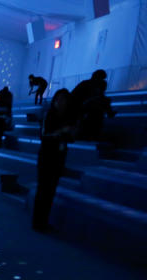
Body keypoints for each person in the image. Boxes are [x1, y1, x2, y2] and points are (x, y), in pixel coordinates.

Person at [33, 89, 74, 232]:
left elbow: (70, 138)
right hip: (46, 156)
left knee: (50, 191)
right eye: (60, 99)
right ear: (55, 100)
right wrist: (61, 132)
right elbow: (44, 135)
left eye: (65, 100)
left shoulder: (66, 118)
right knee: (44, 189)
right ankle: (38, 223)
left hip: (58, 157)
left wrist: (68, 132)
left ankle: (43, 222)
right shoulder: (49, 115)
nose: (63, 103)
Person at [70, 69, 116, 140]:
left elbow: (100, 96)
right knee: (101, 102)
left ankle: (93, 131)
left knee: (102, 102)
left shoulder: (95, 84)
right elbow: (74, 96)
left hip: (90, 107)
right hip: (83, 106)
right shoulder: (88, 84)